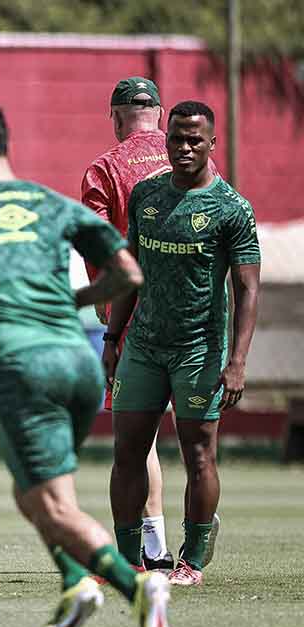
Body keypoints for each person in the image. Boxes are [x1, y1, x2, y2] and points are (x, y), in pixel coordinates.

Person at [0, 100, 173, 627]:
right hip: (76, 362)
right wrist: (73, 301)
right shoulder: (49, 201)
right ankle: (75, 587)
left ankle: (138, 586)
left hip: (24, 366)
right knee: (41, 495)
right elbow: (128, 273)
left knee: (49, 505)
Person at [104, 101, 260, 587]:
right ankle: (128, 560)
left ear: (212, 143)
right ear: (165, 139)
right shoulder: (147, 195)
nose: (185, 147)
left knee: (198, 455)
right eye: (177, 138)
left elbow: (248, 288)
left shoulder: (231, 208)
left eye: (195, 139)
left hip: (199, 350)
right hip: (144, 347)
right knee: (128, 452)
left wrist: (237, 361)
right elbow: (130, 273)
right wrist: (113, 337)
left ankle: (191, 559)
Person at [82, 77, 212, 571]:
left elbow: (97, 244)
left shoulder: (104, 169)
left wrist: (105, 312)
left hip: (135, 317)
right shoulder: (198, 156)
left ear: (116, 118)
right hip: (199, 316)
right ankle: (194, 542)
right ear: (159, 115)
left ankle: (152, 546)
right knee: (199, 438)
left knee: (139, 437)